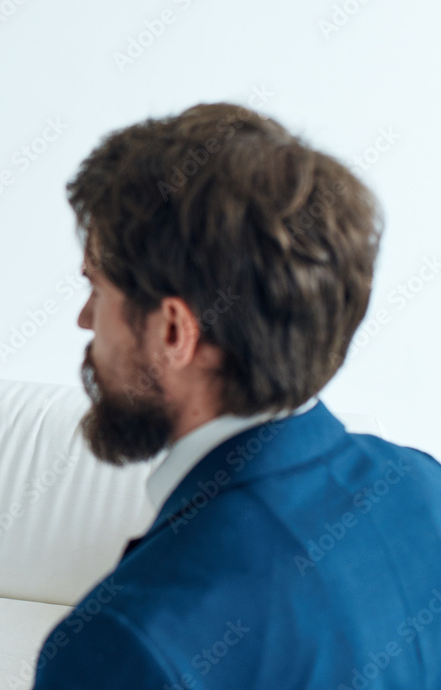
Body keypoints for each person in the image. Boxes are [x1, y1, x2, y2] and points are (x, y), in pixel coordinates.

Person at [34, 103, 441, 688]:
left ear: (173, 331)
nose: (83, 319)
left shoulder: (126, 641)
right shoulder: (421, 486)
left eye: (96, 289)